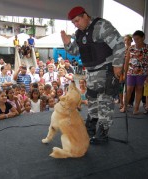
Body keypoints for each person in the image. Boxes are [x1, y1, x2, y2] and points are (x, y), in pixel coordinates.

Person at [61, 6, 125, 144]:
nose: (76, 24)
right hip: (91, 73)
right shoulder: (79, 33)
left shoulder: (101, 26)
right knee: (93, 102)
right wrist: (67, 43)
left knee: (105, 103)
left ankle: (102, 135)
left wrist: (118, 65)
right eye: (73, 23)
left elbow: (119, 45)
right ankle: (90, 128)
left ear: (85, 16)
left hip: (106, 70)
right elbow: (75, 51)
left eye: (77, 21)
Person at [122, 30, 148, 115]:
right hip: (131, 72)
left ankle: (136, 109)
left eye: (138, 39)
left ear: (143, 38)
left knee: (139, 89)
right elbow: (127, 61)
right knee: (129, 90)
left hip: (142, 73)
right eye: (134, 39)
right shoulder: (131, 47)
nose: (136, 41)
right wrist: (125, 73)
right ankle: (125, 106)